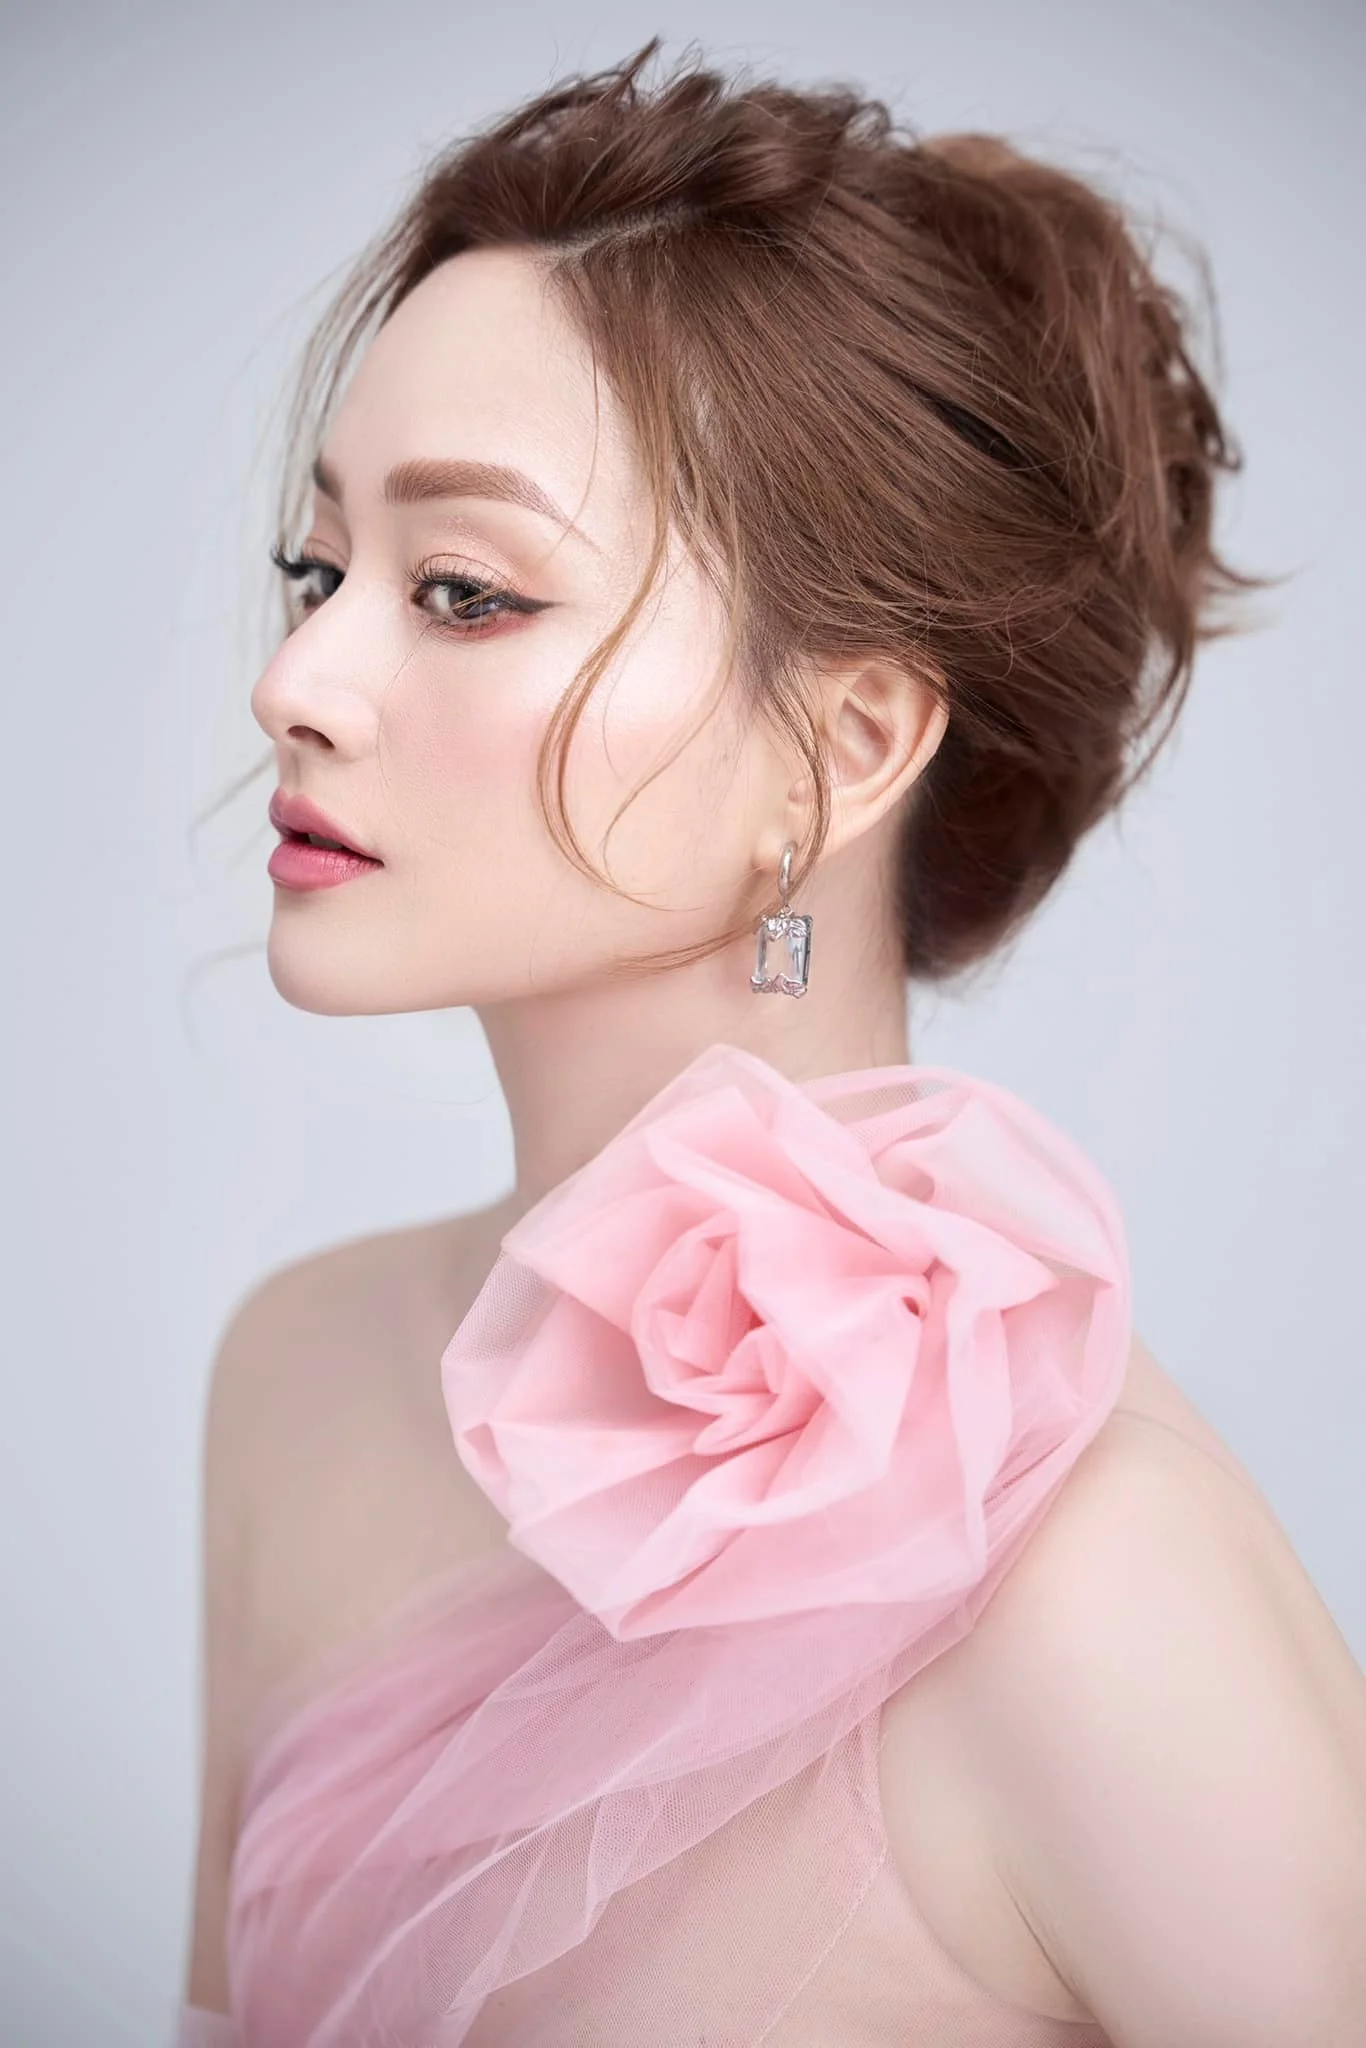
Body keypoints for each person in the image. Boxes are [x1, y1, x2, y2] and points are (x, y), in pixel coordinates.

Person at [179, 40, 1366, 2047]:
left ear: (843, 745)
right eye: (321, 567)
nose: (295, 676)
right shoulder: (296, 1378)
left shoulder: (1098, 1592)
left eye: (460, 589)